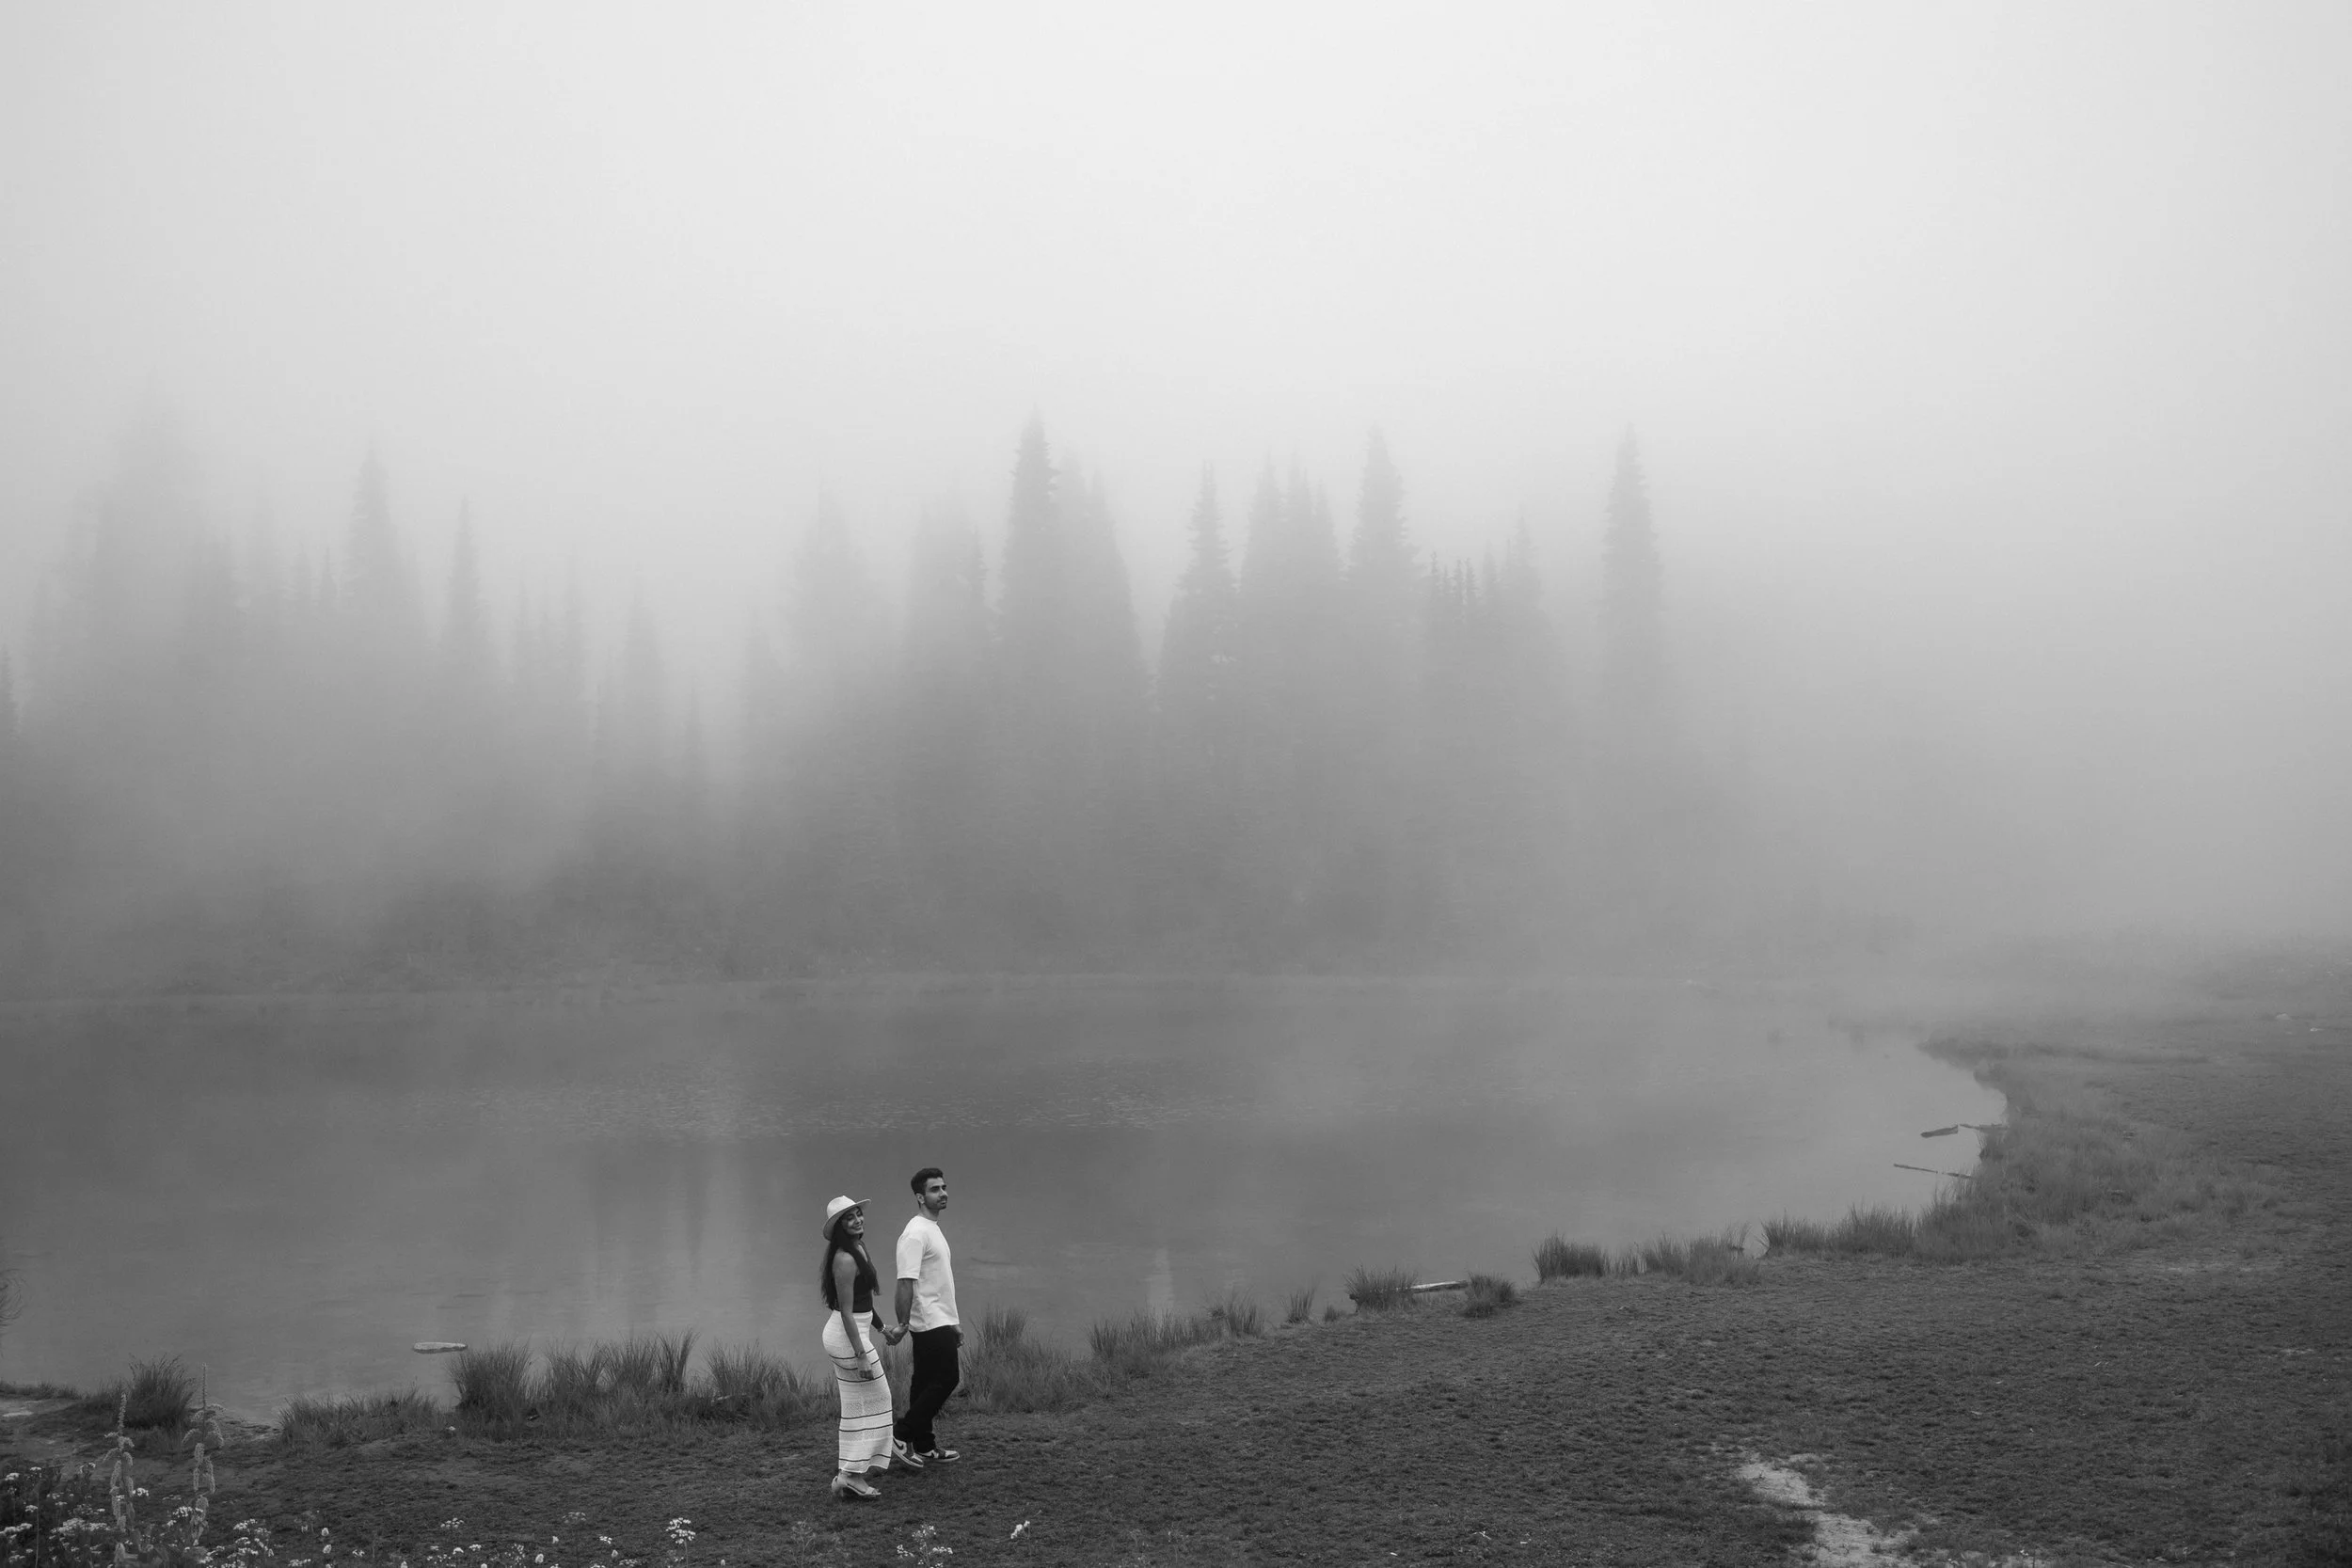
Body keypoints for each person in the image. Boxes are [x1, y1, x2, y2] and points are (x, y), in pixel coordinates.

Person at [818, 1195, 908, 1499]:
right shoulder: (843, 1257)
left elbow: (863, 1303)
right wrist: (861, 1357)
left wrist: (883, 1329)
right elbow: (846, 1311)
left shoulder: (859, 1248)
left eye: (858, 1214)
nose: (857, 1220)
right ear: (840, 1226)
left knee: (859, 1405)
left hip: (855, 1332)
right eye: (850, 1217)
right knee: (879, 1398)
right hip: (846, 1337)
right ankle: (850, 1474)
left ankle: (849, 1475)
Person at [891, 1165, 961, 1465]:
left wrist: (954, 1323)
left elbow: (939, 1282)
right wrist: (904, 1324)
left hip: (941, 1319)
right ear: (920, 1197)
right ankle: (900, 1434)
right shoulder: (915, 1234)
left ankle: (924, 1444)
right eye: (935, 1189)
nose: (943, 1193)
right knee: (947, 1379)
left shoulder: (932, 1228)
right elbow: (905, 1282)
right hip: (928, 1321)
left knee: (923, 1384)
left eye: (943, 1187)